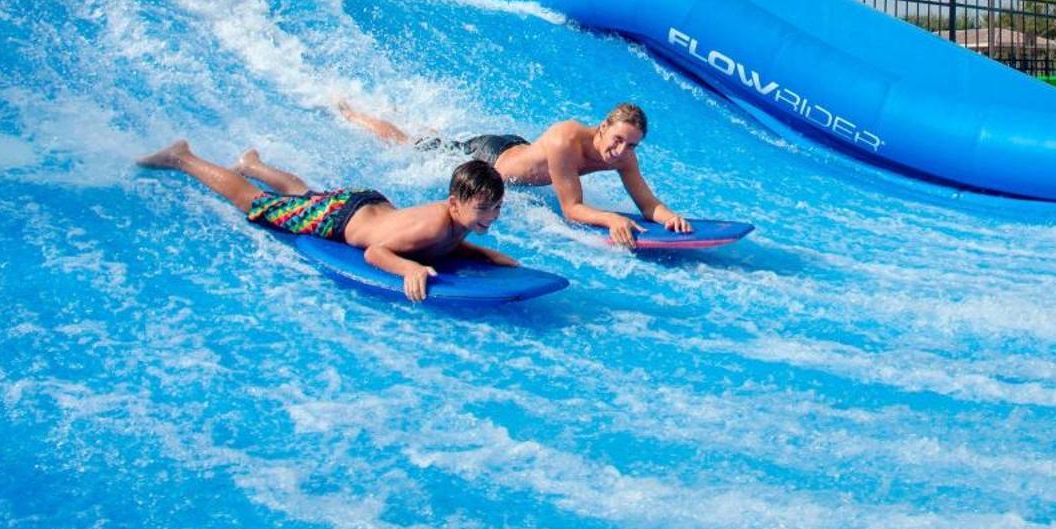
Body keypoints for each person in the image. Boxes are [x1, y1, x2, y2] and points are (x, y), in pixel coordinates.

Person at [136, 140, 515, 301]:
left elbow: (444, 244)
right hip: (343, 219)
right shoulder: (432, 223)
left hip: (367, 205)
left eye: (496, 208)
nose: (491, 217)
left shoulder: (456, 221)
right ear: (454, 203)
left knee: (306, 197)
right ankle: (182, 158)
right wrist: (407, 271)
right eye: (484, 209)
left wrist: (488, 257)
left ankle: (254, 165)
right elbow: (376, 252)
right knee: (255, 204)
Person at [337, 100, 691, 246]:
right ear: (602, 128)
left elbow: (647, 203)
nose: (621, 152)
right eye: (617, 141)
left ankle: (429, 132)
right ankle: (355, 115)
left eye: (631, 146)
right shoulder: (567, 139)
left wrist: (668, 216)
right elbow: (571, 208)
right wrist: (611, 219)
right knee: (409, 145)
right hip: (492, 158)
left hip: (521, 150)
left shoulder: (624, 157)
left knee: (435, 142)